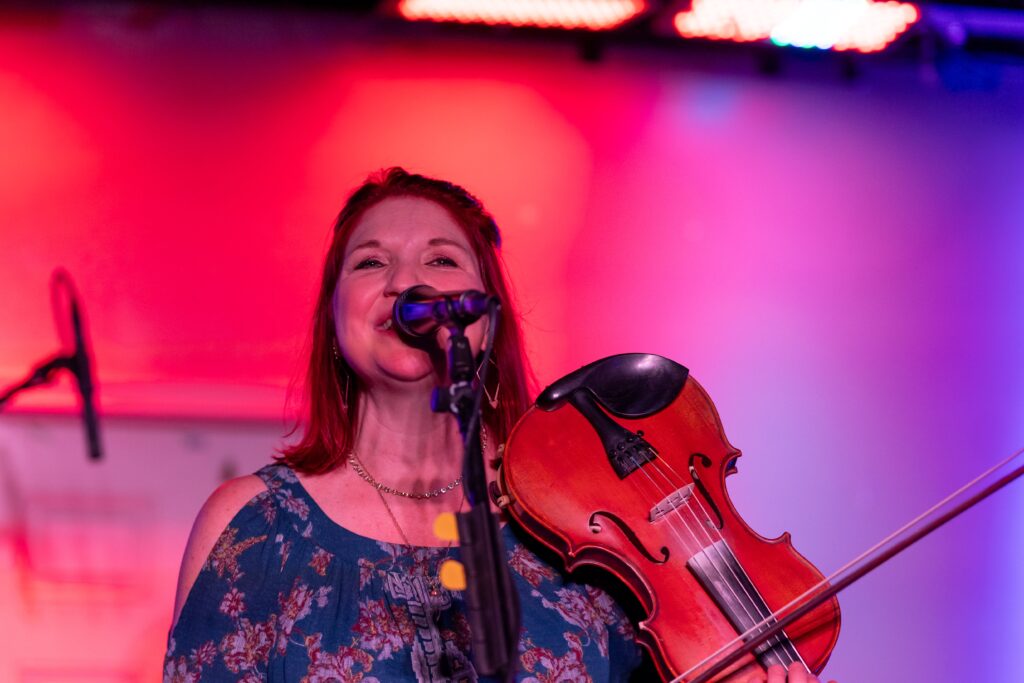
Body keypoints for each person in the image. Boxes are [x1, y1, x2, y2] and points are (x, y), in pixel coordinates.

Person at [164, 168, 836, 683]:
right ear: (334, 314)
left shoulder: (583, 524)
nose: (409, 283)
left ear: (489, 316)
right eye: (371, 261)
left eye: (442, 260)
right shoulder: (254, 528)